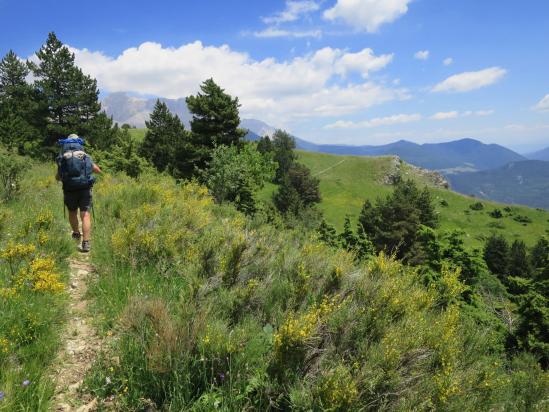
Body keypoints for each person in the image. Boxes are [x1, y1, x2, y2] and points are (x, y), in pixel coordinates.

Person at [55, 134, 101, 252]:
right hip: (85, 188)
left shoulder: (63, 156)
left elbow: (58, 177)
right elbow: (97, 170)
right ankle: (86, 243)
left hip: (69, 189)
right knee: (85, 215)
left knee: (72, 212)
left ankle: (76, 233)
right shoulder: (84, 156)